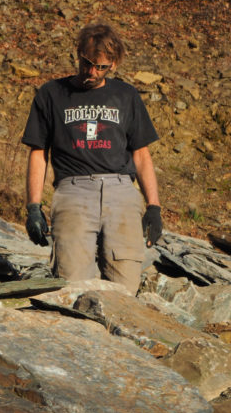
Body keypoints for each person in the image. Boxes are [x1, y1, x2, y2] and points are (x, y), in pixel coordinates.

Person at [22, 21, 162, 294]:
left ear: (113, 65)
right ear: (78, 54)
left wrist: (154, 207)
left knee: (125, 288)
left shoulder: (126, 95)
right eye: (87, 63)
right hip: (73, 192)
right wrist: (33, 207)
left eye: (101, 67)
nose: (92, 72)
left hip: (121, 192)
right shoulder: (51, 94)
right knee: (72, 284)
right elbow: (38, 153)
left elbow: (142, 154)